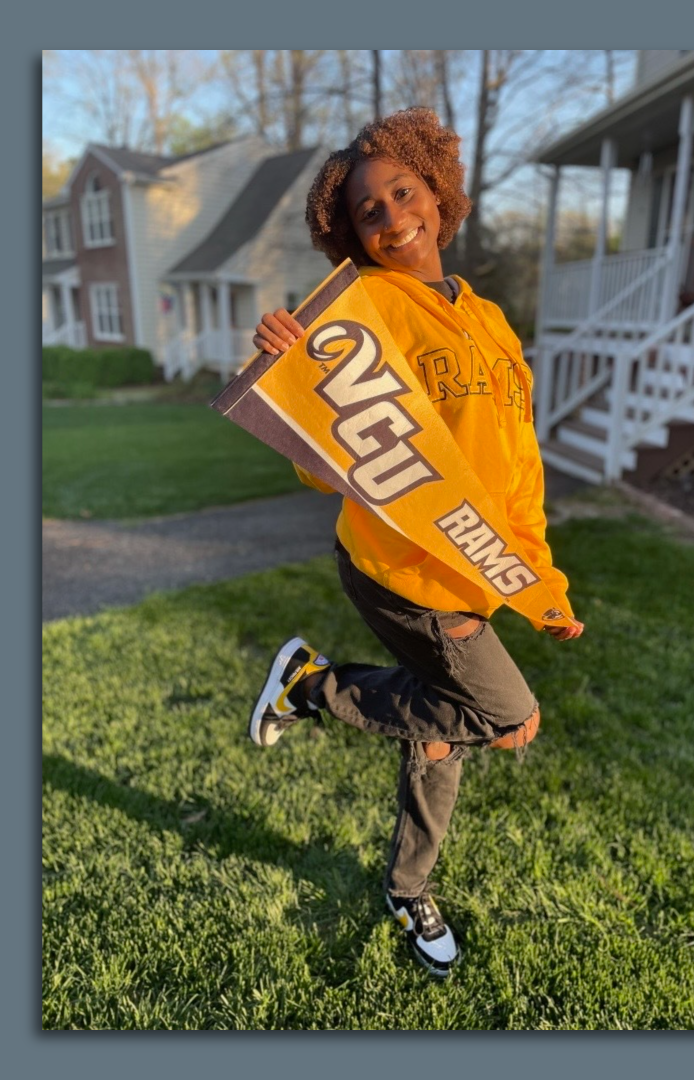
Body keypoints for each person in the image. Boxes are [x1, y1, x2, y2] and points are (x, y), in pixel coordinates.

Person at [245, 107, 584, 979]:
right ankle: (312, 688)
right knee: (505, 716)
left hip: (475, 567)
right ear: (351, 234)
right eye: (370, 212)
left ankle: (407, 887)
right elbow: (327, 464)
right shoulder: (363, 308)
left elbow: (519, 468)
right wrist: (292, 369)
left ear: (437, 192)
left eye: (403, 193)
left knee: (441, 734)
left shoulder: (492, 320)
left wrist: (541, 584)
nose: (393, 218)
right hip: (402, 570)